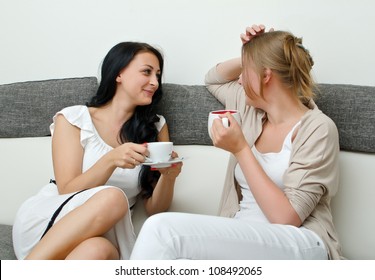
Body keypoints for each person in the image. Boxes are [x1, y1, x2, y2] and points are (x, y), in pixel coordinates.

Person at [130, 25, 343, 260]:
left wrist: (241, 149)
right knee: (177, 261)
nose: (240, 80)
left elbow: (287, 217)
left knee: (162, 230)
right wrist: (249, 52)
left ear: (266, 75)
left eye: (246, 70)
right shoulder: (251, 108)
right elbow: (213, 80)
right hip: (246, 237)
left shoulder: (318, 128)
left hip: (301, 241)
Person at [12, 42, 183, 260]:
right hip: (53, 222)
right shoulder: (74, 119)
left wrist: (169, 178)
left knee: (100, 250)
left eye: (157, 75)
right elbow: (67, 189)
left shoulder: (156, 126)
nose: (155, 82)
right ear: (119, 73)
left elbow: (154, 210)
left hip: (106, 233)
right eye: (146, 72)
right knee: (113, 197)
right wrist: (110, 160)